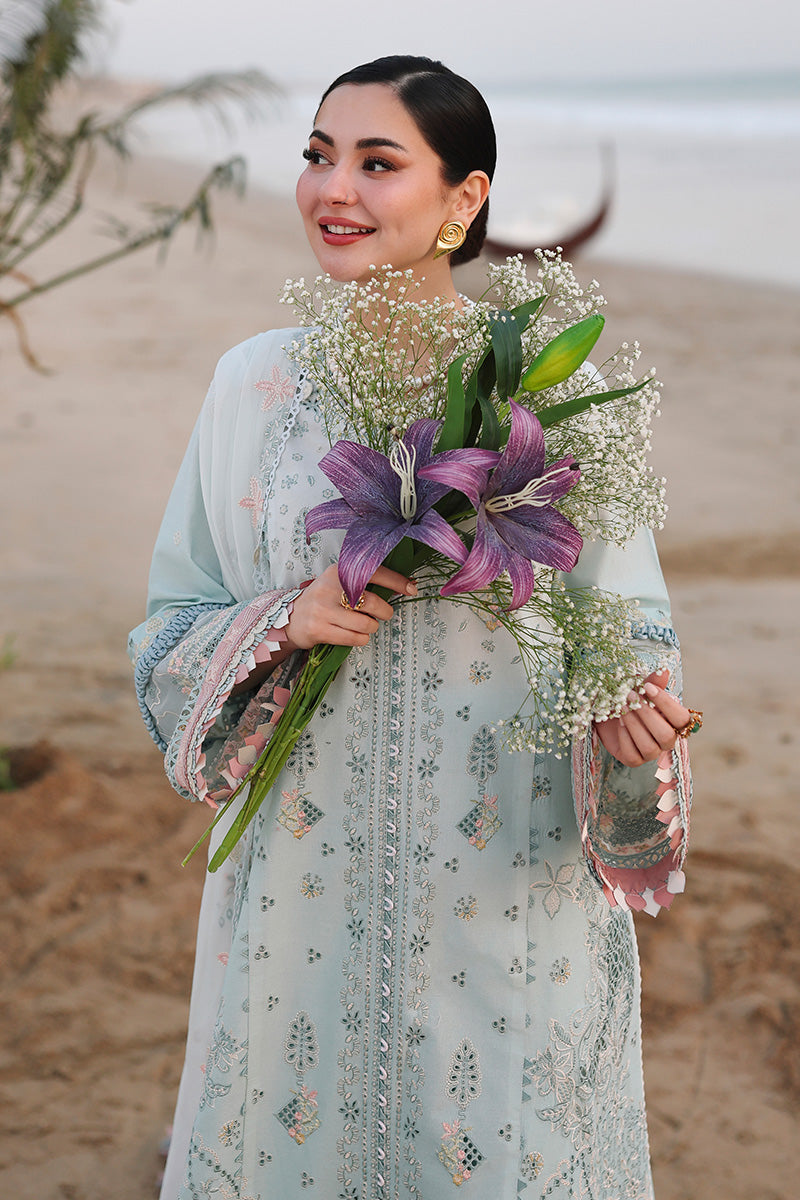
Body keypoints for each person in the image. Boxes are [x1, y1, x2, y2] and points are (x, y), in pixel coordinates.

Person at [129, 56, 697, 1200]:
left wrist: (630, 720)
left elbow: (626, 632)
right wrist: (285, 619)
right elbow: (171, 628)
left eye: (376, 162)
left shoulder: (550, 392)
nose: (332, 188)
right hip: (301, 872)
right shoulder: (253, 386)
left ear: (462, 198)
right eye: (316, 155)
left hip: (504, 868)